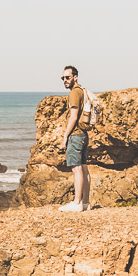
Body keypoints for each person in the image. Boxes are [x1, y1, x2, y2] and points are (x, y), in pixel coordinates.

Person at [59, 65, 90, 212]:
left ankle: (77, 203)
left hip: (76, 135)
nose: (65, 80)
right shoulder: (82, 91)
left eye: (67, 77)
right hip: (84, 135)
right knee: (84, 169)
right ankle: (85, 202)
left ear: (75, 77)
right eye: (63, 78)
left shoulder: (73, 93)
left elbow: (73, 116)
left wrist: (65, 136)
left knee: (76, 169)